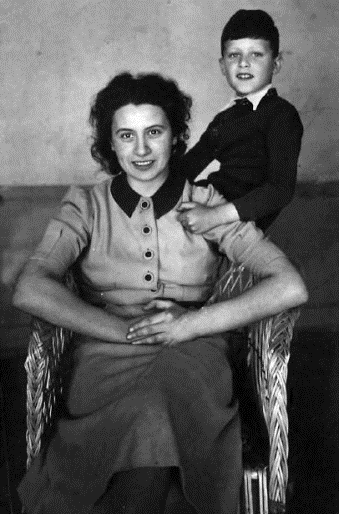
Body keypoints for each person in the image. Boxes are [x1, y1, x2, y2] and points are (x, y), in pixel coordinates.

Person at [13, 72, 308, 514]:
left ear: (176, 137)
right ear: (110, 143)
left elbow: (290, 285)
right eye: (126, 136)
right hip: (104, 354)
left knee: (160, 414)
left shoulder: (208, 203)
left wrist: (188, 325)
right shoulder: (86, 205)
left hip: (194, 351)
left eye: (154, 132)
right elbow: (31, 289)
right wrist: (119, 331)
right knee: (137, 425)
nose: (142, 150)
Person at [178, 9, 304, 234]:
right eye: (234, 55)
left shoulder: (282, 115)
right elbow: (191, 164)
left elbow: (279, 189)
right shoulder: (226, 116)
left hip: (237, 217)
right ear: (222, 66)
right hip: (210, 198)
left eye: (256, 54)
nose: (244, 63)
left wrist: (214, 216)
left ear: (276, 64)